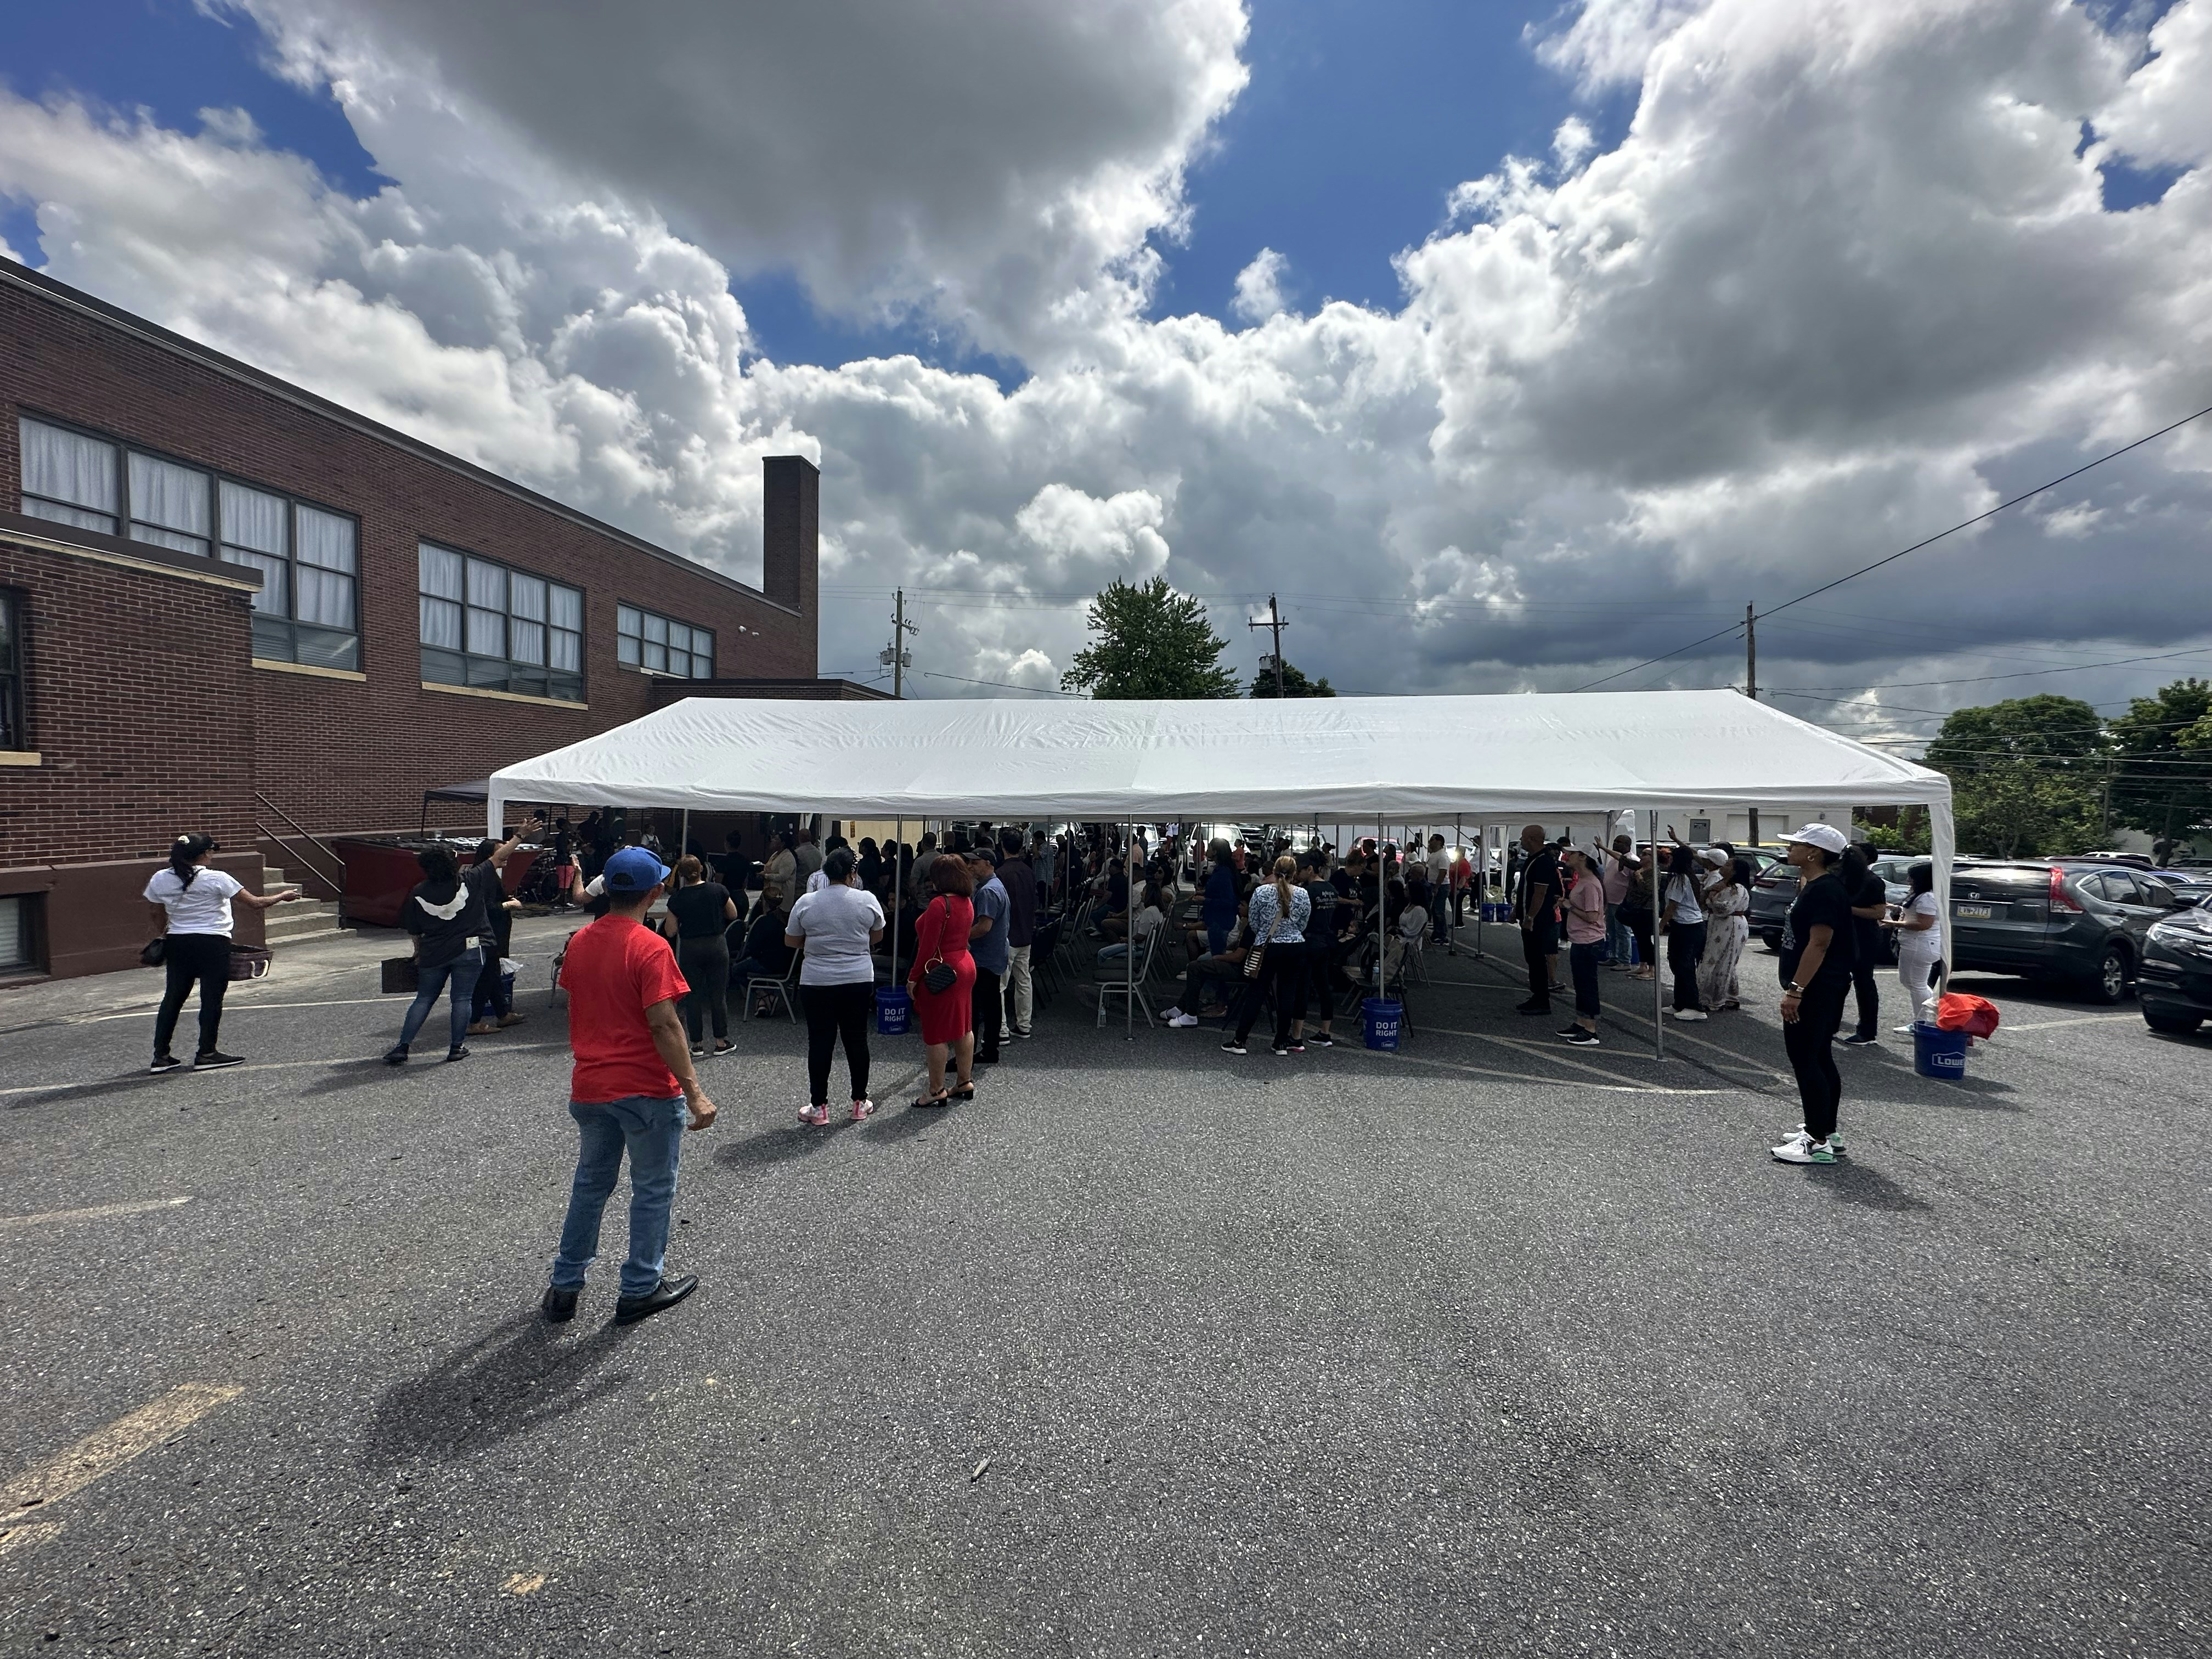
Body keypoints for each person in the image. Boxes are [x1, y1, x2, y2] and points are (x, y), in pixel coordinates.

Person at [543, 847, 716, 1326]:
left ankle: (565, 1285)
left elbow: (585, 998)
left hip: (592, 1083)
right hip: (644, 1086)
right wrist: (694, 1089)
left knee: (591, 1185)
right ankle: (640, 1285)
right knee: (653, 1188)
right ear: (656, 892)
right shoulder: (650, 946)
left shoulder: (581, 940)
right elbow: (664, 1025)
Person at [144, 834, 303, 1073]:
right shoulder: (217, 879)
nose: (212, 855)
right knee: (211, 998)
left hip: (178, 942)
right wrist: (283, 896)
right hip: (212, 943)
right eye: (211, 851)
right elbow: (256, 903)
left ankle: (161, 1057)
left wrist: (168, 934)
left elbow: (157, 913)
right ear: (203, 854)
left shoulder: (160, 879)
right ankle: (206, 1053)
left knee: (173, 998)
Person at [1771, 825, 1861, 1166]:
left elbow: (1820, 943)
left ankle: (1817, 1142)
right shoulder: (1817, 885)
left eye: (1797, 844)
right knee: (1820, 1056)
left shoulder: (1825, 890)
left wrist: (1796, 990)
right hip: (1823, 986)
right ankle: (1825, 1129)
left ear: (1814, 852)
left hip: (1818, 988)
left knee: (1806, 1059)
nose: (1790, 847)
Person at [784, 847, 885, 1124]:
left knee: (820, 1042)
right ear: (853, 873)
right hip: (857, 977)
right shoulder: (866, 900)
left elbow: (791, 940)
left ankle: (819, 1107)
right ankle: (860, 1102)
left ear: (826, 873)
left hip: (817, 979)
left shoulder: (807, 902)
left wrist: (818, 943)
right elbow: (876, 936)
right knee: (857, 1039)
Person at [387, 844, 493, 1065]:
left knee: (424, 999)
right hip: (469, 949)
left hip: (433, 952)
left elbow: (414, 930)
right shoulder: (470, 880)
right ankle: (456, 1047)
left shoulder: (418, 892)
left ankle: (403, 1046)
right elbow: (498, 857)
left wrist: (418, 952)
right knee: (462, 998)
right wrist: (520, 836)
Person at [907, 854, 977, 1108]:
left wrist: (914, 977)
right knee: (963, 1025)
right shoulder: (966, 901)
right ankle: (964, 1080)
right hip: (965, 963)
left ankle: (936, 1090)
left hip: (942, 970)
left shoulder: (940, 905)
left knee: (935, 1032)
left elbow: (927, 947)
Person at [1225, 856, 1310, 1057]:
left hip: (1268, 946)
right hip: (1295, 946)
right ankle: (1281, 1042)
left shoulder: (1261, 892)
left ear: (1273, 870)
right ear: (1294, 873)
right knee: (1287, 993)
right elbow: (1304, 923)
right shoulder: (1303, 894)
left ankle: (1240, 1040)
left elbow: (1253, 922)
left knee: (1257, 991)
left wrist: (1267, 932)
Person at [466, 819, 540, 1036]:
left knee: (493, 975)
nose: (506, 855)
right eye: (501, 852)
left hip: (496, 933)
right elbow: (486, 907)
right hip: (487, 935)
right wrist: (509, 904)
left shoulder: (489, 875)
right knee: (486, 978)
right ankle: (473, 1022)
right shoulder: (483, 875)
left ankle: (503, 1014)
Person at [659, 855, 738, 1055]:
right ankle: (721, 1041)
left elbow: (670, 930)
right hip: (717, 945)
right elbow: (733, 914)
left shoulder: (677, 898)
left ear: (682, 875)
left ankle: (697, 1044)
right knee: (718, 995)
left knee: (692, 996)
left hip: (691, 947)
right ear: (702, 869)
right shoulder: (718, 890)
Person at [1161, 898, 1251, 1027]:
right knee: (1199, 967)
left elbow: (1238, 957)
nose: (1239, 906)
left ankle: (1190, 1014)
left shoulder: (1250, 928)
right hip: (1238, 964)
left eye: (1243, 905)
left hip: (1239, 968)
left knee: (1196, 967)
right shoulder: (1246, 924)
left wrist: (1219, 957)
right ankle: (1181, 1007)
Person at [1881, 860, 1945, 1031]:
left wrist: (1893, 924)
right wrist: (1893, 908)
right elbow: (1910, 912)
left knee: (1917, 984)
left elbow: (1923, 924)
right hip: (1915, 944)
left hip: (1921, 945)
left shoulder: (1928, 897)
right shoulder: (1921, 894)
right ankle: (1932, 1016)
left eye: (1912, 877)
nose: (1909, 880)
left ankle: (1923, 1023)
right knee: (1910, 982)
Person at [1290, 849, 1341, 1048]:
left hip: (1309, 941)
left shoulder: (1307, 892)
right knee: (1323, 987)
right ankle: (1325, 1032)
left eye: (1300, 871)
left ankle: (1297, 1036)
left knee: (1302, 988)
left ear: (1310, 870)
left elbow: (1299, 919)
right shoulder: (1332, 889)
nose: (1298, 875)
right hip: (1326, 942)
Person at [1843, 839, 1889, 1046]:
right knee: (1838, 980)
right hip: (1844, 934)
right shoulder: (1843, 877)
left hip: (1864, 937)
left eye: (1854, 853)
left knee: (1863, 982)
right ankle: (1830, 1024)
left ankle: (1867, 1032)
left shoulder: (1872, 881)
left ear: (1867, 858)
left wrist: (1847, 909)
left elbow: (1879, 912)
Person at [1558, 845, 1606, 1046]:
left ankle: (1590, 1029)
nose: (1567, 856)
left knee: (1587, 985)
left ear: (1583, 857)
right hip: (1581, 939)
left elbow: (1592, 916)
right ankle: (1581, 1022)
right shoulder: (1584, 881)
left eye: (1572, 854)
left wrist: (1568, 906)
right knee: (1580, 983)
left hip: (1588, 940)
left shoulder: (1591, 884)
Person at [967, 847, 1010, 1065]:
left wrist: (960, 936)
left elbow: (984, 927)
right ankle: (990, 1049)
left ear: (988, 864)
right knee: (992, 1005)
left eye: (975, 863)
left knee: (975, 1008)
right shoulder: (995, 886)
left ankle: (968, 1055)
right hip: (994, 954)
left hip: (984, 957)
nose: (971, 867)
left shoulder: (987, 892)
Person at [1514, 824, 1561, 1017]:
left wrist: (1530, 917)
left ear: (1532, 839)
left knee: (1536, 958)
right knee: (1532, 958)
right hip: (1530, 916)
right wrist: (1516, 911)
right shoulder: (1533, 859)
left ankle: (1542, 1000)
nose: (1521, 840)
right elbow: (1526, 890)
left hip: (1539, 920)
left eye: (1523, 837)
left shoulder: (1543, 861)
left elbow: (1540, 894)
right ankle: (1537, 995)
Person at [1697, 851, 1751, 1012]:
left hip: (1731, 925)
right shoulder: (1722, 884)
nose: (1724, 866)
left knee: (1721, 960)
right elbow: (1704, 903)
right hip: (1718, 923)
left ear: (1735, 871)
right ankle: (1729, 996)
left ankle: (1715, 999)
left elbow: (1725, 908)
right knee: (1721, 959)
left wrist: (1712, 897)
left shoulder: (1737, 888)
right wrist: (1711, 895)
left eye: (1728, 865)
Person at [1660, 844, 1709, 1020]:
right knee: (1677, 963)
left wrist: (1661, 925)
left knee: (1685, 966)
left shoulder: (1680, 879)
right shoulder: (1688, 877)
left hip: (1688, 926)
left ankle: (1694, 1006)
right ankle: (1680, 1002)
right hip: (1687, 925)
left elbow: (1672, 905)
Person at [997, 832, 1037, 1040]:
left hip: (1007, 935)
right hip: (1026, 932)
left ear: (1002, 846)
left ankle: (1002, 1029)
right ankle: (1024, 1024)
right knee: (1024, 980)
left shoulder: (1001, 874)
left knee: (1000, 985)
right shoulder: (1029, 872)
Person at [727, 893, 792, 1011]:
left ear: (764, 903)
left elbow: (753, 949)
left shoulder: (763, 922)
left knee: (736, 970)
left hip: (768, 965)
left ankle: (762, 994)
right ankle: (763, 1000)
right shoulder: (785, 919)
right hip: (787, 965)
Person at [1599, 833, 1637, 968]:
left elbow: (1635, 882)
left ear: (1627, 845)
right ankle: (1614, 956)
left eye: (1619, 842)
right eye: (1615, 841)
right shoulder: (1613, 859)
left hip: (1621, 903)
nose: (1615, 844)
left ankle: (1625, 960)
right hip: (1610, 901)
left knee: (1623, 932)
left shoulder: (1632, 860)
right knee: (1612, 931)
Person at [1200, 840, 1240, 956]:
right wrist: (1204, 893)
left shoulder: (1223, 873)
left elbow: (1228, 901)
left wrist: (1205, 900)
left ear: (1216, 852)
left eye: (1209, 848)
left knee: (1217, 956)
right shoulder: (1222, 870)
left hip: (1219, 921)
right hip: (1217, 920)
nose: (1207, 851)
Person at [760, 832, 797, 909]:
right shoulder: (776, 854)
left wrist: (767, 876)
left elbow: (783, 877)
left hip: (781, 896)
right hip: (770, 893)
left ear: (782, 843)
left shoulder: (788, 857)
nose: (772, 840)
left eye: (776, 839)